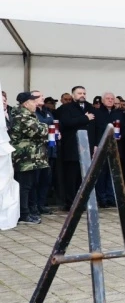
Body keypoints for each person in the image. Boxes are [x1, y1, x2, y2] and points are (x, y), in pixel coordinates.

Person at [55, 85, 98, 210]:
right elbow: (67, 122)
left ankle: (82, 202)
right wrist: (85, 118)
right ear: (73, 95)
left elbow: (96, 127)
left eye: (84, 93)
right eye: (79, 93)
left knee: (83, 177)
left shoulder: (91, 107)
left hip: (87, 148)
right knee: (71, 177)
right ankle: (70, 202)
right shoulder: (66, 108)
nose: (82, 95)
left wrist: (95, 144)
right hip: (72, 148)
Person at [9, 92, 49, 225]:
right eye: (33, 102)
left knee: (29, 185)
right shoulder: (22, 116)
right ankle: (23, 214)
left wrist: (43, 127)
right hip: (24, 157)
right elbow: (37, 131)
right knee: (24, 186)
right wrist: (45, 127)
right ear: (26, 103)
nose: (36, 104)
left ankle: (28, 212)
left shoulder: (29, 115)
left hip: (31, 158)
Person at [93, 92, 124, 207]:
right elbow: (94, 130)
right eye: (107, 98)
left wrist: (122, 135)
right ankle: (102, 199)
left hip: (115, 146)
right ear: (102, 100)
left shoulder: (119, 113)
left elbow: (124, 128)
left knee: (113, 173)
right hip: (101, 146)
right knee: (101, 173)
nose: (110, 100)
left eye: (112, 99)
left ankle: (112, 197)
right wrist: (95, 145)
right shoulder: (96, 113)